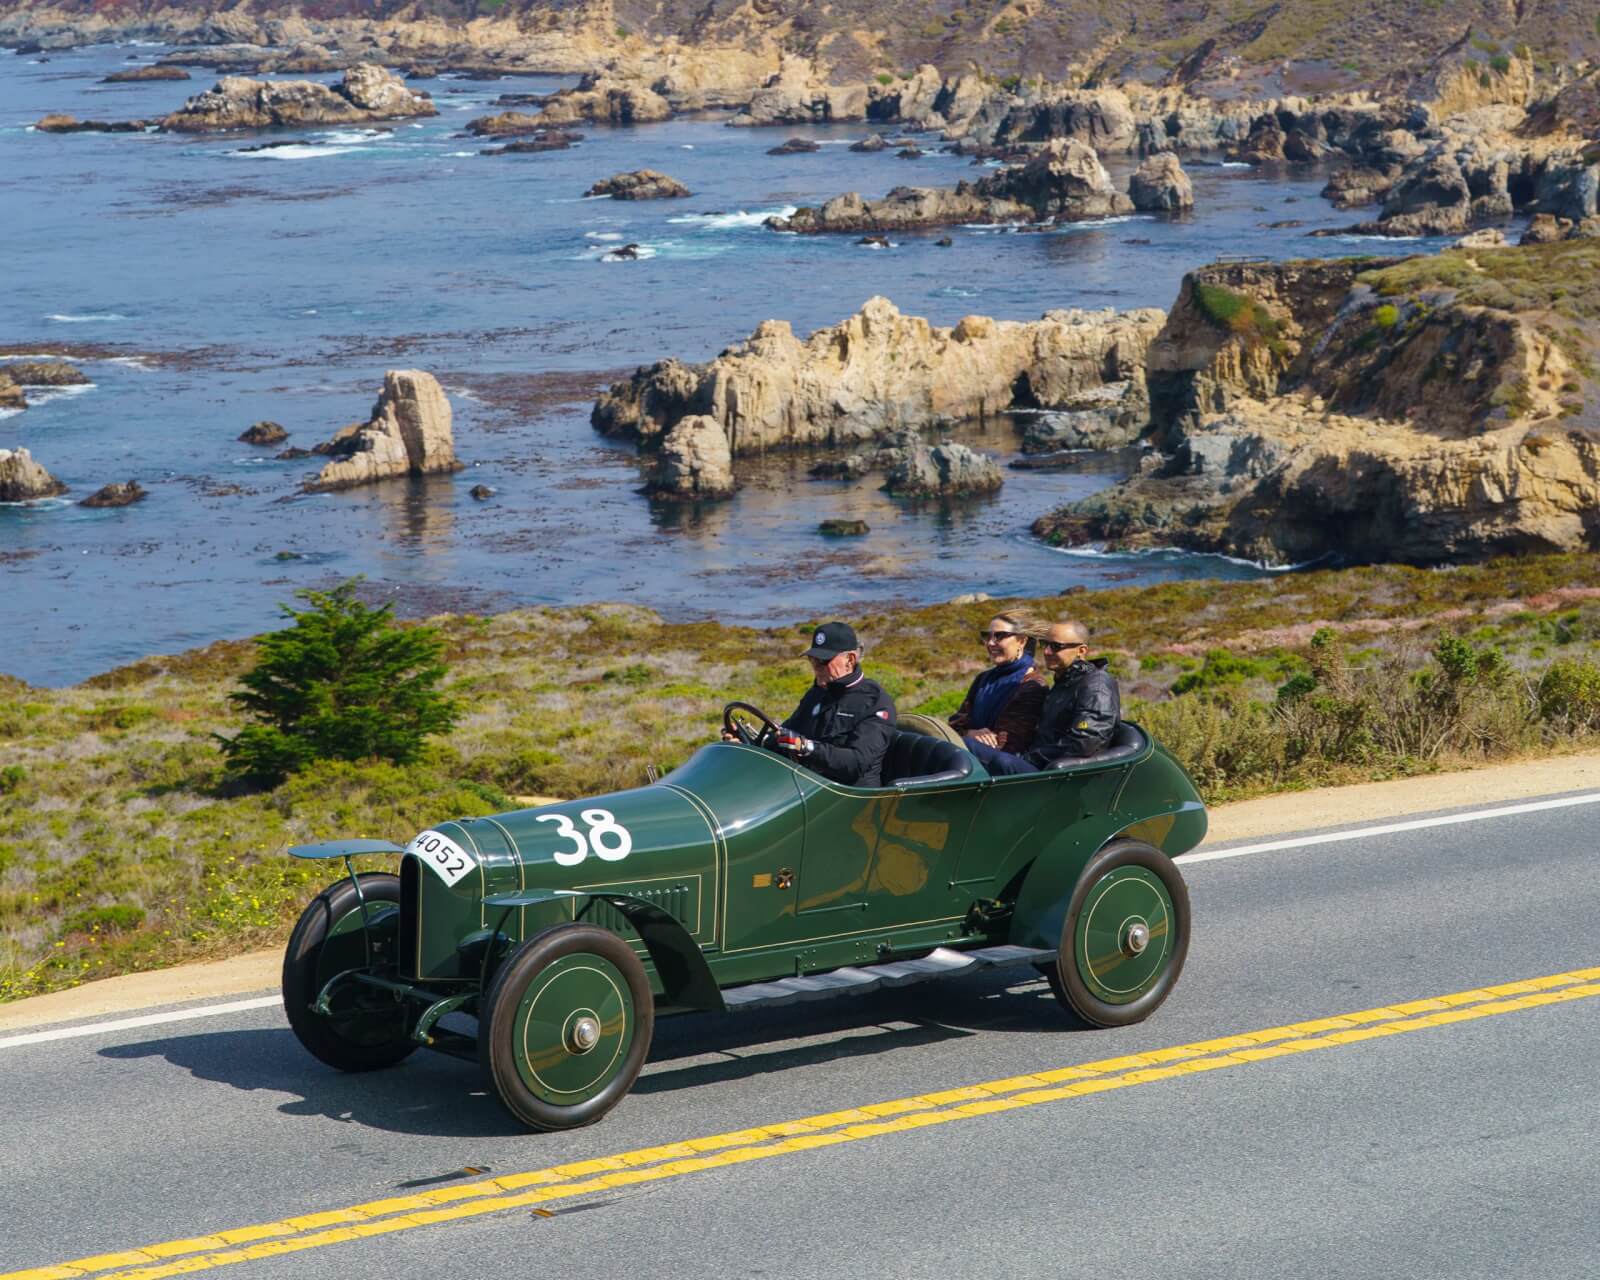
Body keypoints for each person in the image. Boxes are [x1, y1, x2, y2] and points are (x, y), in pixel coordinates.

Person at [724, 621, 897, 787]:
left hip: (850, 796)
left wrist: (807, 747)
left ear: (849, 660)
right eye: (812, 660)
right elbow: (787, 733)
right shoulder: (817, 693)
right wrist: (750, 741)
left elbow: (856, 763)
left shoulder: (875, 702)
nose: (816, 667)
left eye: (823, 661)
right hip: (807, 786)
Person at [963, 620, 1119, 776]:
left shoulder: (1096, 684)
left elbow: (1086, 741)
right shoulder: (1064, 683)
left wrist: (1029, 758)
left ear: (1081, 650)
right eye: (1045, 644)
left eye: (1056, 646)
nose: (1047, 652)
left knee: (966, 746)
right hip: (1040, 766)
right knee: (961, 744)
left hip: (1054, 775)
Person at [949, 611, 1048, 756]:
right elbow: (956, 723)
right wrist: (969, 733)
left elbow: (1009, 744)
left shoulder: (1032, 686)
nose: (990, 643)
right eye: (987, 636)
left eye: (999, 636)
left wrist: (966, 737)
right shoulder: (983, 679)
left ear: (1021, 641)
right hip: (972, 754)